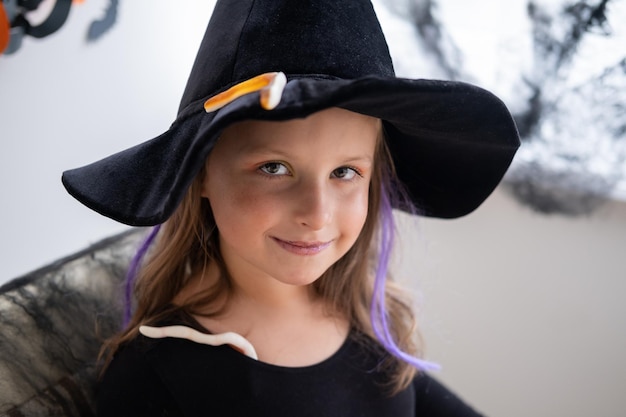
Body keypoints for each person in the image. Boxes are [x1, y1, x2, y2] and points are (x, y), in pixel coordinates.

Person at [62, 0, 520, 415]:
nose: (317, 214)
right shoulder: (156, 377)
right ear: (199, 172)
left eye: (344, 172)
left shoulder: (365, 318)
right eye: (275, 168)